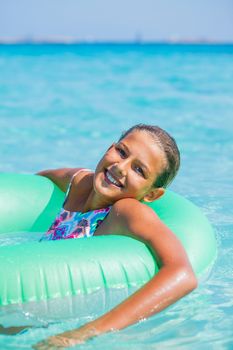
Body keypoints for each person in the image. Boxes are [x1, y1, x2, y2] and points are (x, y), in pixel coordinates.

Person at [32, 124, 197, 349]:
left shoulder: (126, 211)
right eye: (122, 151)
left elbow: (182, 274)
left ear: (151, 194)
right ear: (110, 147)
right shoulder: (78, 183)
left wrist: (85, 333)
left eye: (139, 170)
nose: (121, 167)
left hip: (51, 318)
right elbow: (30, 183)